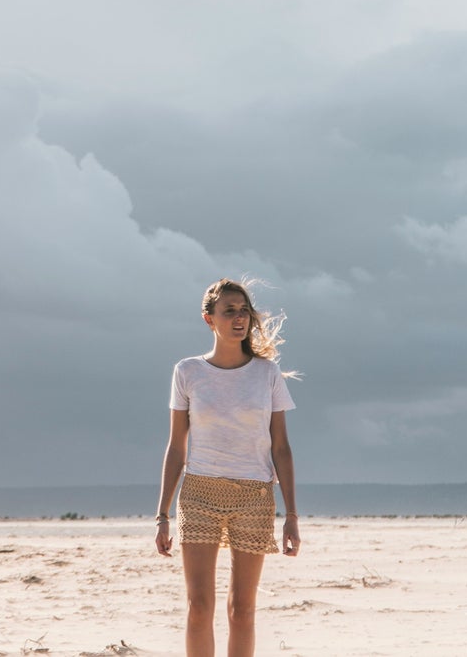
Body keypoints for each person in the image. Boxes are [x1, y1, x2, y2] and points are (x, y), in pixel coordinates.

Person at [154, 278, 300, 657]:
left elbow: (281, 448)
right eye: (229, 311)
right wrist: (162, 515)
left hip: (255, 496)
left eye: (244, 311)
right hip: (199, 492)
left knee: (242, 610)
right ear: (209, 319)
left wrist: (292, 515)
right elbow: (176, 446)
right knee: (199, 607)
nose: (239, 318)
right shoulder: (187, 371)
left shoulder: (266, 373)